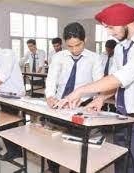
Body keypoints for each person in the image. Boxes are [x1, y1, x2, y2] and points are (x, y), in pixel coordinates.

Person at [56, 3, 134, 173]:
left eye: (110, 27)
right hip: (121, 119)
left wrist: (80, 90)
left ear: (125, 21)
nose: (109, 32)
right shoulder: (120, 48)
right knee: (122, 167)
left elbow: (123, 76)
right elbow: (114, 81)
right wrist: (100, 98)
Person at [45, 22, 103, 173]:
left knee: (77, 145)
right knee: (54, 141)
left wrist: (83, 99)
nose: (74, 50)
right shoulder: (58, 57)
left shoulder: (95, 58)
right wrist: (50, 96)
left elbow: (99, 85)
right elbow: (51, 79)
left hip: (82, 106)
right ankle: (53, 169)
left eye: (78, 45)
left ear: (85, 40)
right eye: (70, 46)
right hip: (59, 104)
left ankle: (75, 170)